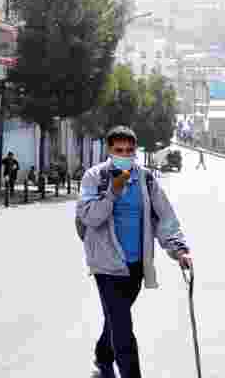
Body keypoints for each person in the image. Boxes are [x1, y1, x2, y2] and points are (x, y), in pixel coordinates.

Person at [76, 126, 192, 378]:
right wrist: (112, 194)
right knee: (123, 325)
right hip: (106, 265)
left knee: (116, 318)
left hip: (136, 265)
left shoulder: (146, 179)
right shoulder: (94, 177)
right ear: (109, 151)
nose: (125, 155)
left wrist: (179, 249)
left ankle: (103, 353)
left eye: (129, 150)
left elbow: (165, 217)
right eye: (119, 150)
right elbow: (89, 217)